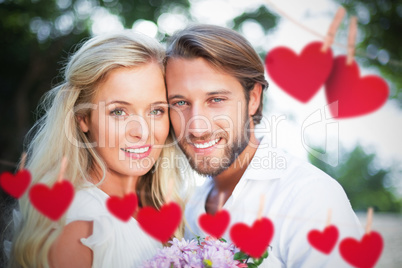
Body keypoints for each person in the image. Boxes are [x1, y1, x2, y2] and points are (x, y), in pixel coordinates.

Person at [165, 24, 362, 267]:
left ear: (253, 99)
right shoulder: (191, 205)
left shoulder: (309, 197)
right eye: (180, 102)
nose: (196, 127)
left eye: (216, 99)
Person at [6, 31, 185, 268]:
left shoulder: (163, 205)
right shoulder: (78, 230)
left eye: (156, 111)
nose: (142, 132)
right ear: (83, 119)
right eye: (119, 112)